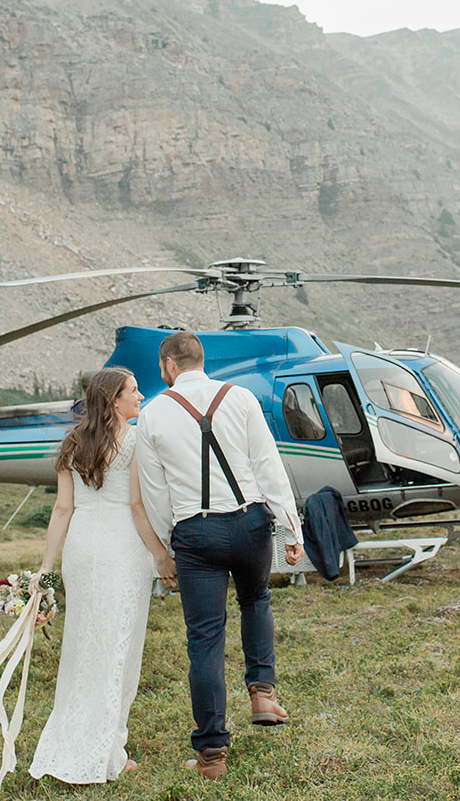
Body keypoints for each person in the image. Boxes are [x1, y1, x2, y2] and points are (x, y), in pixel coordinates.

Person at [132, 330, 306, 781]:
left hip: (195, 531)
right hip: (250, 523)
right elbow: (269, 464)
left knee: (204, 640)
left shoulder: (151, 415)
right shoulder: (242, 397)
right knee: (256, 600)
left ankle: (212, 756)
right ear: (200, 359)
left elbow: (155, 493)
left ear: (169, 365)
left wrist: (170, 548)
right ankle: (263, 693)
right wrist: (291, 526)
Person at [27, 367, 179, 785]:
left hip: (80, 548)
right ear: (114, 400)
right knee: (119, 648)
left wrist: (46, 568)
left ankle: (80, 742)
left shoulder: (72, 442)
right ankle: (107, 753)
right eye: (133, 391)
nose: (141, 396)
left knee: (83, 645)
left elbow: (62, 509)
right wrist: (162, 558)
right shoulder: (132, 442)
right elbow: (136, 506)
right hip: (121, 549)